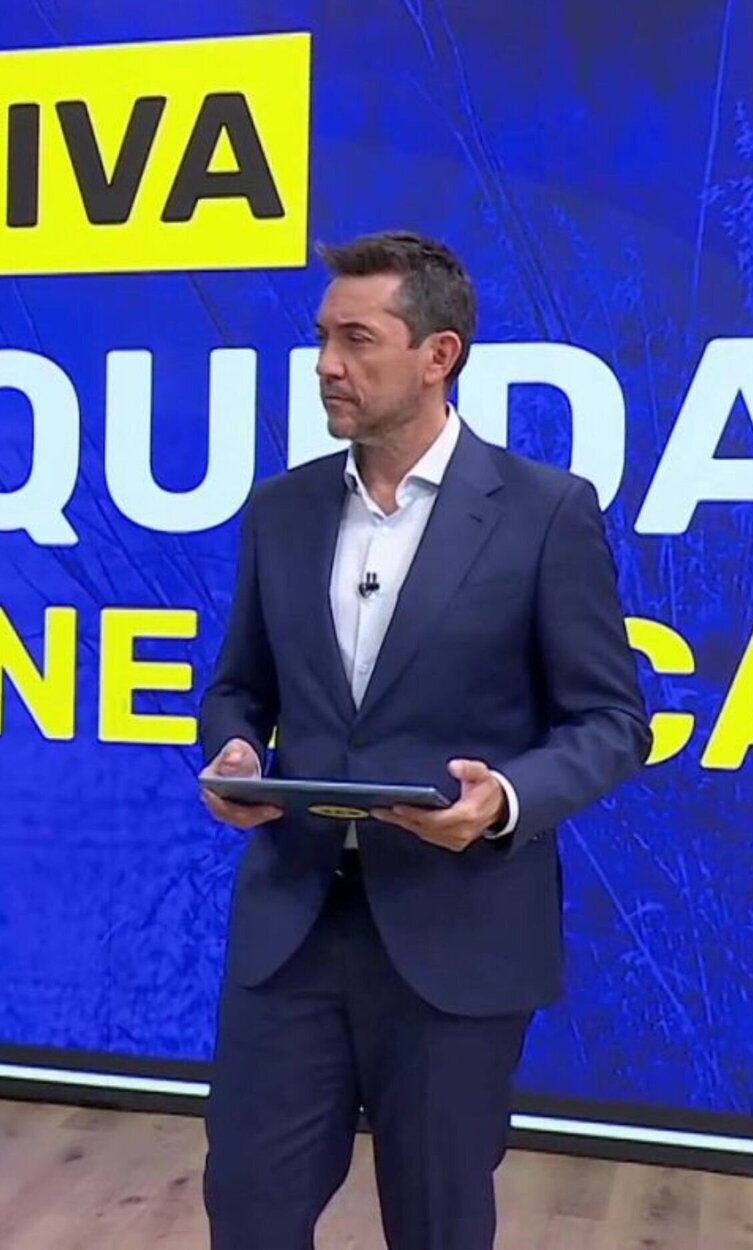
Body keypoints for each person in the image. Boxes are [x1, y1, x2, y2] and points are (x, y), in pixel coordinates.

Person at [196, 230, 652, 1250]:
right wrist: (234, 751)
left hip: (458, 936)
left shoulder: (544, 513)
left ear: (437, 354)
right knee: (248, 1212)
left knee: (437, 1222)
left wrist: (503, 801)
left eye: (356, 340)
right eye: (322, 337)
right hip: (292, 927)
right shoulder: (281, 510)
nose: (326, 364)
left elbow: (613, 722)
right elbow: (238, 686)